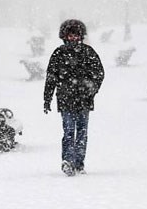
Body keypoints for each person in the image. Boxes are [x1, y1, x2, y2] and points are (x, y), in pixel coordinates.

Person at [43, 19, 105, 176]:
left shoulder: (88, 52)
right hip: (66, 99)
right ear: (64, 36)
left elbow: (99, 73)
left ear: (81, 36)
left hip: (84, 100)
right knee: (69, 131)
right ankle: (68, 162)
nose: (73, 38)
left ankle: (79, 163)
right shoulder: (59, 54)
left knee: (82, 132)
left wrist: (92, 89)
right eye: (70, 35)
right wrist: (47, 98)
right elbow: (51, 77)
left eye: (76, 35)